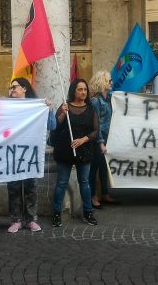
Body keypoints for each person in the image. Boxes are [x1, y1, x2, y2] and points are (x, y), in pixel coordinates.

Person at [6, 78, 57, 233]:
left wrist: (48, 110)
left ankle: (30, 220)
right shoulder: (7, 107)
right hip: (12, 153)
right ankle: (16, 220)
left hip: (30, 154)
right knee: (14, 187)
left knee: (31, 187)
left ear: (24, 89)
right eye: (11, 87)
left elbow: (52, 125)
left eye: (15, 87)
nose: (12, 89)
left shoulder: (37, 106)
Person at [52, 79, 100, 227]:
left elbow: (95, 131)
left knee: (84, 183)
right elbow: (55, 125)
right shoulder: (64, 106)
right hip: (65, 150)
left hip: (84, 150)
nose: (83, 92)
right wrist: (62, 115)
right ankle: (56, 213)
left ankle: (88, 212)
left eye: (85, 89)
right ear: (74, 91)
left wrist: (83, 140)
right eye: (80, 89)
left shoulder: (91, 109)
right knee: (61, 183)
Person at [88, 71, 118, 209]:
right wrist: (100, 143)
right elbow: (96, 123)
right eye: (109, 80)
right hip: (98, 140)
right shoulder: (95, 101)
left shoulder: (110, 98)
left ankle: (105, 193)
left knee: (105, 167)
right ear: (102, 82)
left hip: (109, 137)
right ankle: (93, 196)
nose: (111, 82)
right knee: (94, 168)